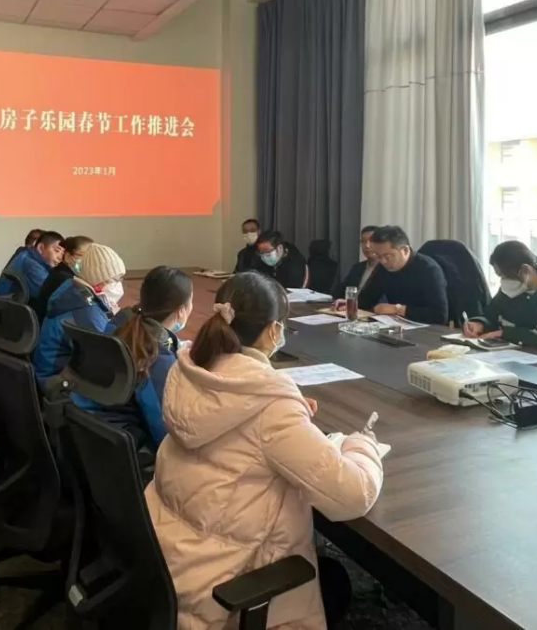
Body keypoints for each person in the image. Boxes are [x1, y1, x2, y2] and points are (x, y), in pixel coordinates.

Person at [146, 272, 384, 630]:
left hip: (169, 562)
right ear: (273, 330)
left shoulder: (189, 370)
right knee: (334, 583)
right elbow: (355, 494)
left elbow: (243, 430)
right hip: (223, 590)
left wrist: (289, 411)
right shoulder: (268, 404)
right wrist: (362, 443)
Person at [72, 266, 192, 463]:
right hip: (122, 454)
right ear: (181, 311)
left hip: (88, 436)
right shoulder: (156, 360)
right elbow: (166, 432)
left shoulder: (121, 323)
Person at [33, 243, 125, 381]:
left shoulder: (72, 290)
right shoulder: (86, 311)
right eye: (116, 279)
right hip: (55, 383)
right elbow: (105, 356)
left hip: (49, 373)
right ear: (98, 281)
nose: (118, 284)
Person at [356, 225, 448, 325]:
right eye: (378, 256)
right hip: (396, 326)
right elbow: (365, 301)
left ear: (405, 250)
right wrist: (351, 303)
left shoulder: (429, 270)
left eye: (387, 256)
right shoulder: (382, 268)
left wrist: (397, 309)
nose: (383, 261)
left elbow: (439, 315)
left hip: (427, 329)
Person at [36, 235, 93, 322]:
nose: (89, 261)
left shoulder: (62, 272)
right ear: (68, 256)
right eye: (83, 256)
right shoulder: (65, 279)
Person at [0, 230, 64, 299]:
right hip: (6, 303)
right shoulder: (31, 263)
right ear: (40, 248)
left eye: (62, 254)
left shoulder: (28, 255)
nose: (60, 257)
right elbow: (54, 293)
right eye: (57, 251)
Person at [333, 225, 381, 299]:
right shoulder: (357, 267)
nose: (367, 246)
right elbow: (342, 290)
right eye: (363, 241)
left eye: (371, 241)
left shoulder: (387, 271)